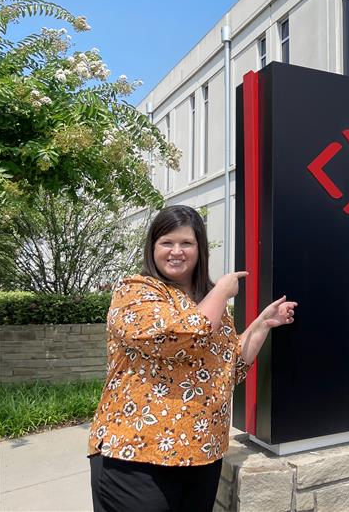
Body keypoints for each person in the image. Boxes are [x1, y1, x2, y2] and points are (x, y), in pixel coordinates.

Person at [87, 205, 296, 512]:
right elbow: (177, 337)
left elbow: (230, 367)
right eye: (166, 242)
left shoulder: (209, 304)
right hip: (136, 455)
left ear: (200, 249)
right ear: (152, 247)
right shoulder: (136, 290)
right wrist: (223, 291)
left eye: (186, 243)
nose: (176, 251)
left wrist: (262, 324)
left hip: (202, 455)